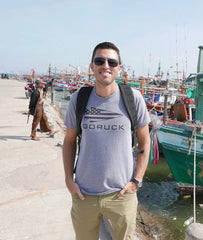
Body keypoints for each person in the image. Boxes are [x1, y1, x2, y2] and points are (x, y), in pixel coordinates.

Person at [63, 42, 151, 240]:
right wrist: (69, 180)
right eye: (99, 60)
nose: (106, 65)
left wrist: (137, 181)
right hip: (84, 195)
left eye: (112, 61)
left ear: (119, 68)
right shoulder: (79, 99)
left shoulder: (133, 99)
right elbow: (69, 141)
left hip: (121, 195)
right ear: (91, 66)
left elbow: (145, 141)